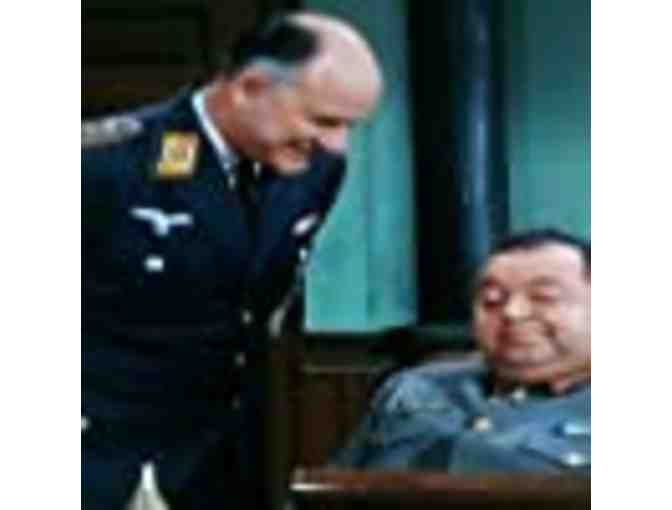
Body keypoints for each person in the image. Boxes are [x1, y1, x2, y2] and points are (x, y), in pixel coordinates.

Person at [82, 11, 382, 510]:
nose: (337, 143)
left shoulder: (315, 171)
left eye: (349, 126)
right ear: (250, 88)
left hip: (218, 457)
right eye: (324, 120)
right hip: (100, 457)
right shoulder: (104, 165)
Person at [331, 229, 590, 474]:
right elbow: (335, 488)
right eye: (492, 301)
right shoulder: (415, 388)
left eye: (544, 298)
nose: (512, 312)